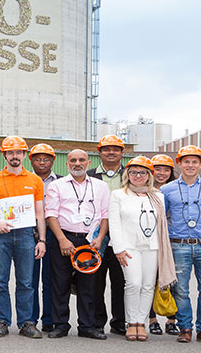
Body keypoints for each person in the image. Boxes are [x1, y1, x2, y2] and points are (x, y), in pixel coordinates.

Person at [0, 136, 46, 338]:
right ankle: (1, 321)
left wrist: (41, 240)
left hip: (26, 235)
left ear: (25, 155)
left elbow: (40, 213)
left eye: (18, 152)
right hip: (0, 235)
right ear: (4, 155)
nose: (14, 156)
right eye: (10, 152)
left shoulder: (35, 180)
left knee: (26, 282)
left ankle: (27, 323)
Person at [160, 145, 201, 344]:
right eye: (186, 161)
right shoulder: (167, 189)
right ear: (179, 164)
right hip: (178, 245)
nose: (190, 165)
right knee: (181, 290)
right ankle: (185, 327)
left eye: (194, 161)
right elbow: (163, 218)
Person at [108, 156, 176, 342]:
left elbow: (162, 225)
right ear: (127, 175)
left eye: (143, 172)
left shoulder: (158, 196)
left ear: (149, 175)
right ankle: (131, 323)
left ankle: (141, 323)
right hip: (128, 248)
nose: (138, 176)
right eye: (134, 172)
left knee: (147, 286)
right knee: (133, 284)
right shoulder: (118, 194)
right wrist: (119, 249)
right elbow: (114, 224)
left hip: (152, 247)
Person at [44, 149, 109, 340]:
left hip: (90, 241)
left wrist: (100, 239)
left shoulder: (100, 186)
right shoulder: (57, 186)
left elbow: (105, 215)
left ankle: (87, 326)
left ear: (88, 163)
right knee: (60, 283)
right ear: (67, 164)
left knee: (88, 285)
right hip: (64, 239)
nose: (77, 163)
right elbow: (51, 214)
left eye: (81, 160)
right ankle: (61, 324)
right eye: (73, 160)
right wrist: (62, 239)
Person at [86, 134, 127, 336]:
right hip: (96, 235)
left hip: (124, 235)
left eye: (116, 149)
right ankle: (97, 322)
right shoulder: (89, 175)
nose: (111, 152)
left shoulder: (131, 174)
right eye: (106, 149)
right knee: (96, 280)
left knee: (121, 280)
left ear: (122, 152)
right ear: (99, 152)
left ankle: (119, 321)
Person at [28, 143, 61, 332]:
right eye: (38, 159)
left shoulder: (61, 182)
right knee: (29, 280)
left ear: (53, 161)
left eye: (46, 159)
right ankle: (30, 319)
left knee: (51, 279)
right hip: (29, 232)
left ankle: (49, 319)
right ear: (31, 160)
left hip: (53, 233)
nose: (42, 162)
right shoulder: (23, 180)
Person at [147, 153, 179, 336]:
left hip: (172, 240)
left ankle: (171, 319)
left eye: (166, 169)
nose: (161, 173)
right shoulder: (145, 190)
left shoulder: (176, 189)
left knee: (172, 281)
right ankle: (152, 320)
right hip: (151, 240)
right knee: (151, 281)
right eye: (157, 169)